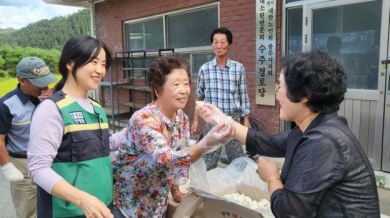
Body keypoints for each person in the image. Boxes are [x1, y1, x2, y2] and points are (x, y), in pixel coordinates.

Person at [197, 51, 381, 217]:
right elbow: (266, 142)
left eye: (281, 87)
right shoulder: (314, 127)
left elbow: (289, 213)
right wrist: (220, 118)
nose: (277, 95)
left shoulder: (324, 142)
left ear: (304, 95)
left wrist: (271, 177)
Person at [111, 53, 234, 218]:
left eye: (186, 83)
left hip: (157, 206)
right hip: (130, 206)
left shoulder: (181, 118)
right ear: (157, 89)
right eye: (176, 84)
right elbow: (168, 159)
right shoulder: (144, 119)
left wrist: (175, 190)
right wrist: (205, 144)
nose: (184, 90)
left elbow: (181, 152)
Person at [27, 36, 126, 218]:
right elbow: (38, 169)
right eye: (94, 62)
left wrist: (133, 128)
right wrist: (82, 199)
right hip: (68, 211)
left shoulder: (97, 108)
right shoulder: (52, 109)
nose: (100, 70)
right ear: (70, 64)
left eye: (103, 64)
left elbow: (102, 146)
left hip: (101, 206)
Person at [0, 56, 57, 218]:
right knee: (28, 211)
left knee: (53, 207)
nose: (45, 86)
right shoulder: (6, 105)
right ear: (22, 81)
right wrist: (7, 167)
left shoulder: (49, 98)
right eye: (39, 83)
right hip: (23, 164)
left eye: (46, 81)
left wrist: (51, 102)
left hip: (50, 159)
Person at [191, 27, 251, 170]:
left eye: (222, 42)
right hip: (211, 119)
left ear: (229, 44)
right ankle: (205, 188)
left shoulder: (238, 68)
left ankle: (237, 188)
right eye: (215, 42)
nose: (219, 46)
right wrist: (195, 119)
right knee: (209, 155)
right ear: (212, 44)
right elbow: (199, 96)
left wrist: (246, 120)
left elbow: (243, 95)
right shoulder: (205, 69)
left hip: (233, 119)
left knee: (236, 156)